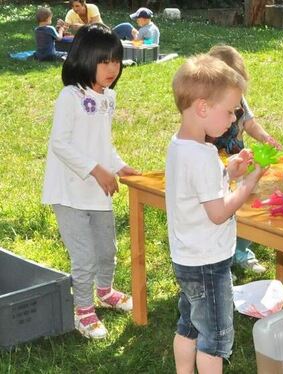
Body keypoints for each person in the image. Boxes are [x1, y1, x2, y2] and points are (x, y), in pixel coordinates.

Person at [166, 54, 265, 373]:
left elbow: (199, 191)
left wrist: (230, 173)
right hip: (209, 264)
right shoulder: (205, 155)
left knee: (189, 325)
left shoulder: (179, 145)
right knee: (215, 338)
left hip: (187, 258)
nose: (235, 117)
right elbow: (219, 213)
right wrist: (248, 184)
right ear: (203, 108)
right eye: (231, 110)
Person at [41, 23, 138, 339]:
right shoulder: (70, 96)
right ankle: (83, 311)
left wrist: (121, 167)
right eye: (104, 61)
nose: (112, 68)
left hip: (99, 192)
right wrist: (97, 170)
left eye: (116, 61)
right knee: (83, 257)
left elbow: (103, 144)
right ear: (83, 58)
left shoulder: (108, 98)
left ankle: (105, 291)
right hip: (70, 192)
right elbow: (61, 143)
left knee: (106, 249)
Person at [206, 44, 282, 274]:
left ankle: (242, 248)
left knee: (247, 205)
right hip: (218, 167)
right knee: (222, 210)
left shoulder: (240, 103)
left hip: (241, 163)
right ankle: (220, 250)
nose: (237, 102)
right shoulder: (206, 108)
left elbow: (249, 124)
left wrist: (264, 136)